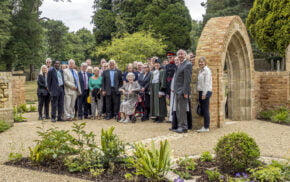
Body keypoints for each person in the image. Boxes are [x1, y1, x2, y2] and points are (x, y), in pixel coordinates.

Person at [171, 50, 192, 133]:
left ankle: (184, 127)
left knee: (182, 110)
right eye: (179, 54)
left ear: (185, 55)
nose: (180, 55)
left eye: (181, 54)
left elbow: (187, 80)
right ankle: (180, 125)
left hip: (183, 91)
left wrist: (186, 92)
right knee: (178, 110)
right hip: (177, 91)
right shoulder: (180, 64)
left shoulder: (188, 64)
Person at [196, 56, 212, 132]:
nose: (200, 63)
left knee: (205, 110)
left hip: (205, 91)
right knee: (203, 109)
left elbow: (207, 83)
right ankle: (205, 126)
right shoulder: (200, 71)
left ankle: (206, 127)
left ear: (205, 62)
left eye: (202, 62)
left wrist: (204, 94)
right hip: (201, 91)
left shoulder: (207, 71)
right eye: (199, 62)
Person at [165, 52, 177, 122]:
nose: (169, 58)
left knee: (174, 102)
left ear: (174, 57)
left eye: (171, 57)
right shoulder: (167, 66)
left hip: (173, 85)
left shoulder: (176, 65)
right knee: (168, 102)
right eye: (168, 57)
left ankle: (173, 117)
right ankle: (170, 117)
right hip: (168, 85)